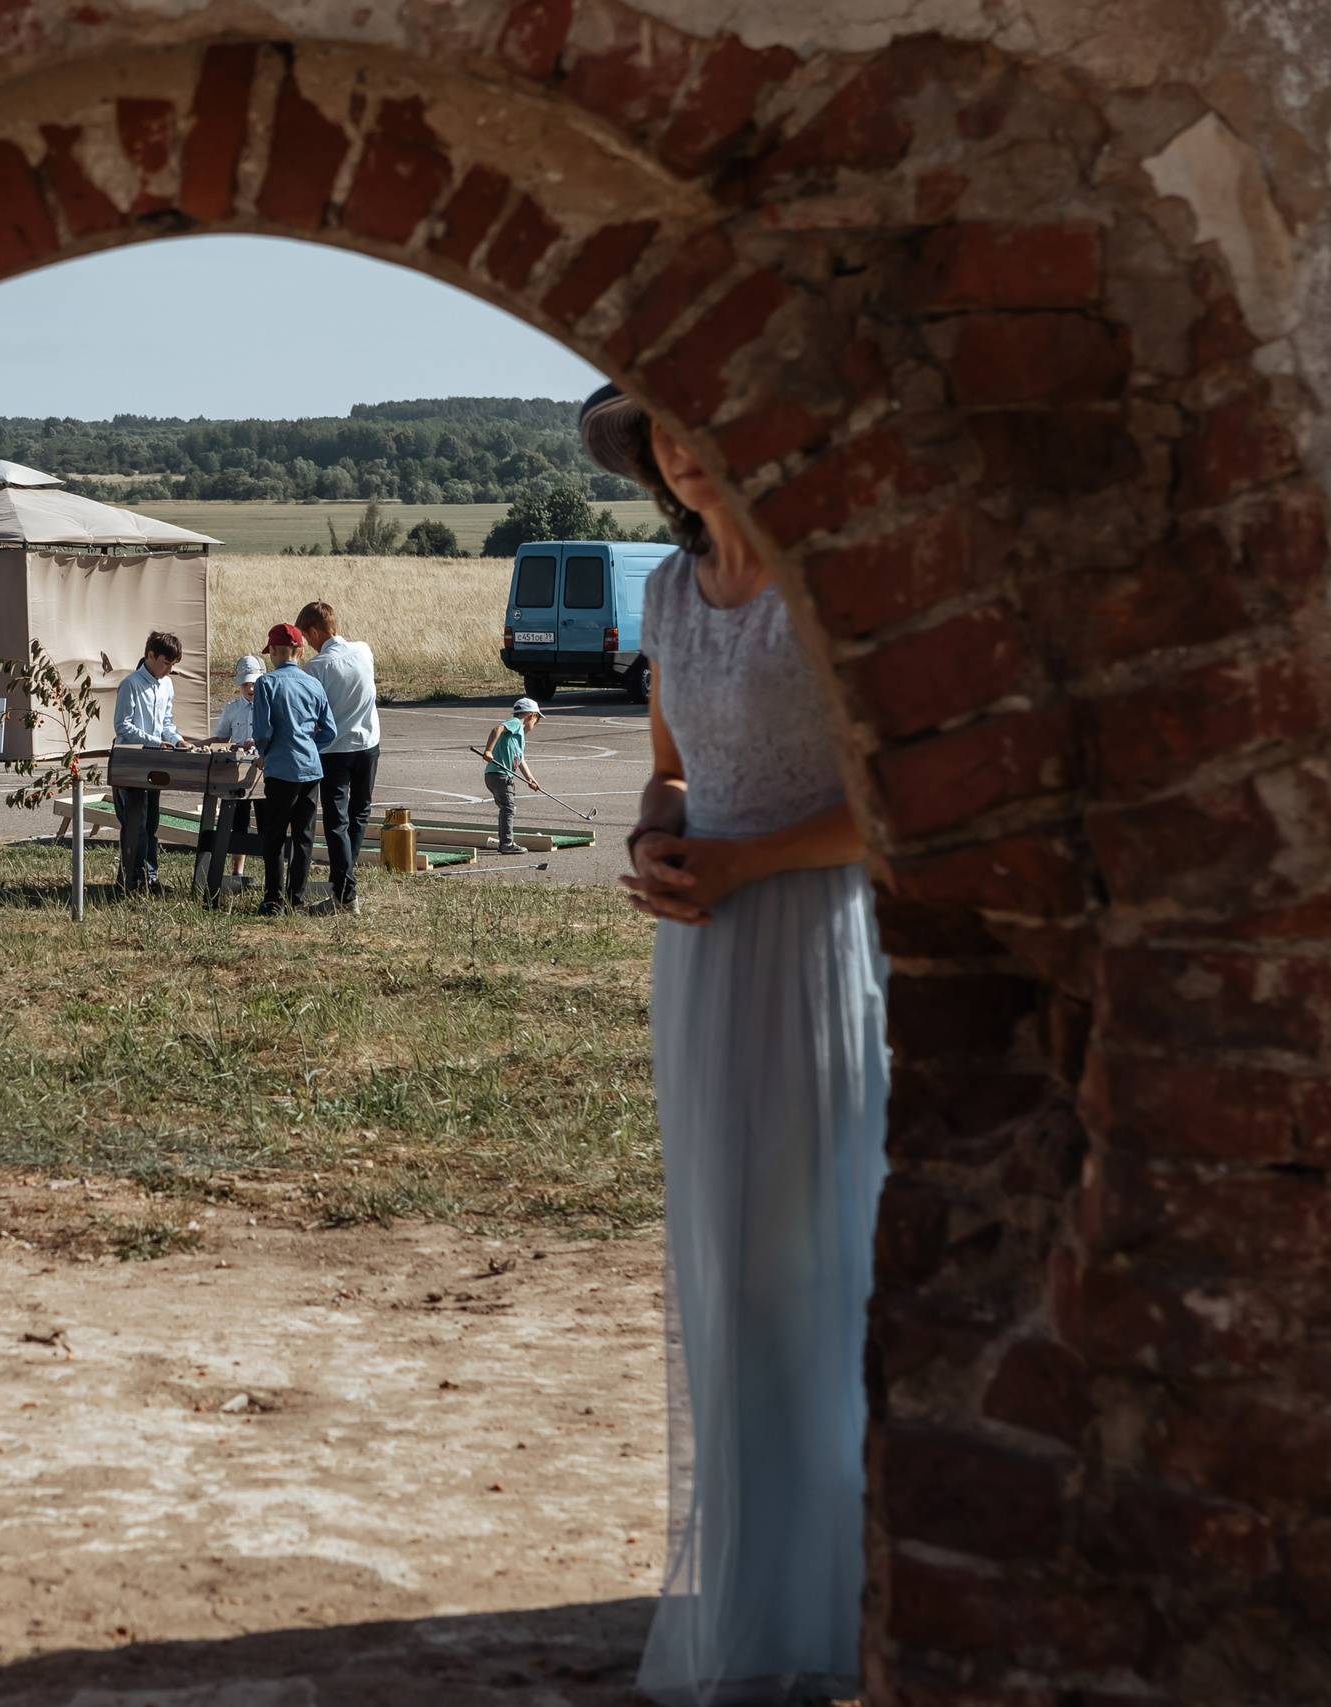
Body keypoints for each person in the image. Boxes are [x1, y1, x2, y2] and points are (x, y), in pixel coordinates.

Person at [584, 382, 888, 1707]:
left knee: (821, 1256)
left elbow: (891, 807)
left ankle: (849, 1592)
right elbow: (670, 771)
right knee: (730, 1268)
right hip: (703, 950)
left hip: (820, 940)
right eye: (660, 429)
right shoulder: (665, 592)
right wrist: (654, 837)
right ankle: (761, 1594)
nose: (682, 447)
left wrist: (747, 859)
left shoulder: (826, 589)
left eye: (699, 418)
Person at [297, 601, 380, 915]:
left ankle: (344, 892)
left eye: (307, 637)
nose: (307, 644)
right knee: (359, 813)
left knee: (336, 820)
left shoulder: (317, 666)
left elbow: (312, 711)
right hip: (368, 742)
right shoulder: (363, 650)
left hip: (335, 749)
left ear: (315, 631)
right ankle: (344, 884)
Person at [246, 623, 334, 917]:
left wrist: (267, 752)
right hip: (310, 768)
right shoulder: (313, 684)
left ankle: (273, 900)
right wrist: (309, 745)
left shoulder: (267, 683)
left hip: (281, 768)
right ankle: (296, 899)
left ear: (272, 651)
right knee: (304, 837)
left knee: (274, 836)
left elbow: (262, 730)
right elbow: (330, 730)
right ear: (301, 650)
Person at [109, 629, 186, 896]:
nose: (169, 669)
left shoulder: (167, 685)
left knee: (151, 822)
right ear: (150, 655)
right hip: (130, 761)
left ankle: (149, 878)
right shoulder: (130, 684)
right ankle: (131, 880)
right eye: (166, 663)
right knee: (134, 823)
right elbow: (123, 726)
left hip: (155, 761)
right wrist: (155, 741)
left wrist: (177, 740)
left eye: (173, 664)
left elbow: (166, 722)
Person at [206, 654, 267, 898]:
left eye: (254, 683)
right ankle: (237, 873)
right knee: (237, 823)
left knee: (266, 824)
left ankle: (271, 873)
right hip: (237, 775)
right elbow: (221, 738)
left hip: (264, 774)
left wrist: (259, 741)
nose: (250, 689)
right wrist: (194, 743)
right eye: (245, 684)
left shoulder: (270, 707)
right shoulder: (232, 709)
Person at [481, 698, 544, 854]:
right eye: (536, 721)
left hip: (498, 775)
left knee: (507, 808)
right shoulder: (515, 723)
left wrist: (530, 778)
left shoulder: (518, 735)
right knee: (508, 808)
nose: (534, 726)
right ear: (531, 715)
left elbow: (520, 759)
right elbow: (497, 729)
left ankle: (505, 841)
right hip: (499, 774)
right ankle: (507, 844)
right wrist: (488, 750)